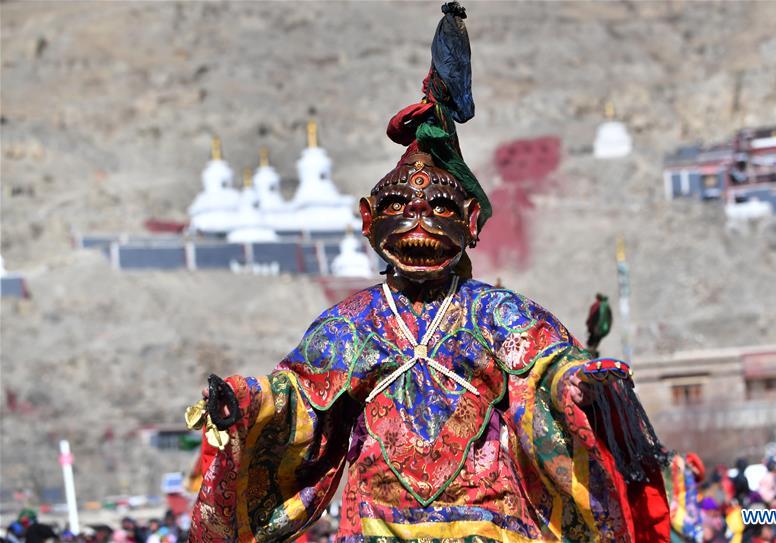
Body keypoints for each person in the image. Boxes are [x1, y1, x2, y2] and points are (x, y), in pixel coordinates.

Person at [186, 3, 669, 542]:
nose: (419, 227)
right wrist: (246, 397)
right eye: (400, 210)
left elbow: (547, 364)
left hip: (489, 518)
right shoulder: (350, 324)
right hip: (377, 522)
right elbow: (299, 392)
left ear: (469, 221)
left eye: (439, 211)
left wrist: (579, 381)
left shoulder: (497, 314)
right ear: (369, 221)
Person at [585, 292, 613, 356]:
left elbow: (592, 316)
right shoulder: (604, 306)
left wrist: (589, 323)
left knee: (593, 342)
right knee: (595, 342)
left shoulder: (597, 305)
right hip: (599, 329)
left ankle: (591, 353)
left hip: (595, 328)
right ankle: (592, 351)